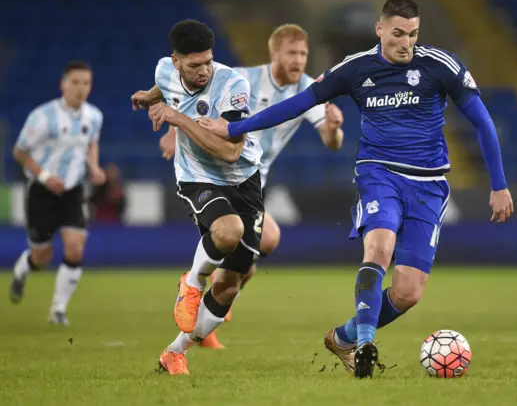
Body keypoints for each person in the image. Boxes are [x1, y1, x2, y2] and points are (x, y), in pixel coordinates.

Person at [201, 0, 515, 378]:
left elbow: (482, 123)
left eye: (413, 35)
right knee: (379, 245)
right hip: (378, 173)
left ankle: (345, 336)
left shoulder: (440, 65)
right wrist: (234, 128)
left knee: (408, 293)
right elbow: (298, 103)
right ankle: (366, 343)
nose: (405, 43)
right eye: (398, 33)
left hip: (430, 185)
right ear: (380, 29)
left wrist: (499, 185)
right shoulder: (355, 69)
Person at [156, 23, 345, 348]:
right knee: (258, 241)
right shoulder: (244, 77)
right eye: (292, 53)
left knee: (261, 249)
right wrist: (175, 130)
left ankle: (211, 295)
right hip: (218, 171)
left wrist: (334, 128)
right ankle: (203, 291)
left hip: (253, 177)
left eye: (303, 53)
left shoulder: (308, 91)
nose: (299, 60)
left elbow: (331, 142)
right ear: (275, 53)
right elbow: (192, 90)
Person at [131, 19, 264, 375]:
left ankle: (174, 352)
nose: (203, 70)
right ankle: (191, 282)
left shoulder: (233, 85)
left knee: (229, 287)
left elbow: (231, 152)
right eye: (193, 65)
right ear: (176, 62)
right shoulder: (164, 70)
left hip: (244, 178)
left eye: (207, 61)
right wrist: (148, 96)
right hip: (197, 177)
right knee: (227, 230)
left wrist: (178, 120)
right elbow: (163, 86)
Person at [9, 60, 106, 326]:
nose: (81, 88)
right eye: (75, 82)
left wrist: (94, 167)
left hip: (73, 190)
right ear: (63, 84)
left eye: (86, 83)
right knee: (43, 256)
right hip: (41, 191)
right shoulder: (42, 116)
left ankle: (58, 310)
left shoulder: (94, 116)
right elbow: (19, 151)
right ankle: (22, 269)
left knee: (75, 248)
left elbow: (91, 143)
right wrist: (44, 176)